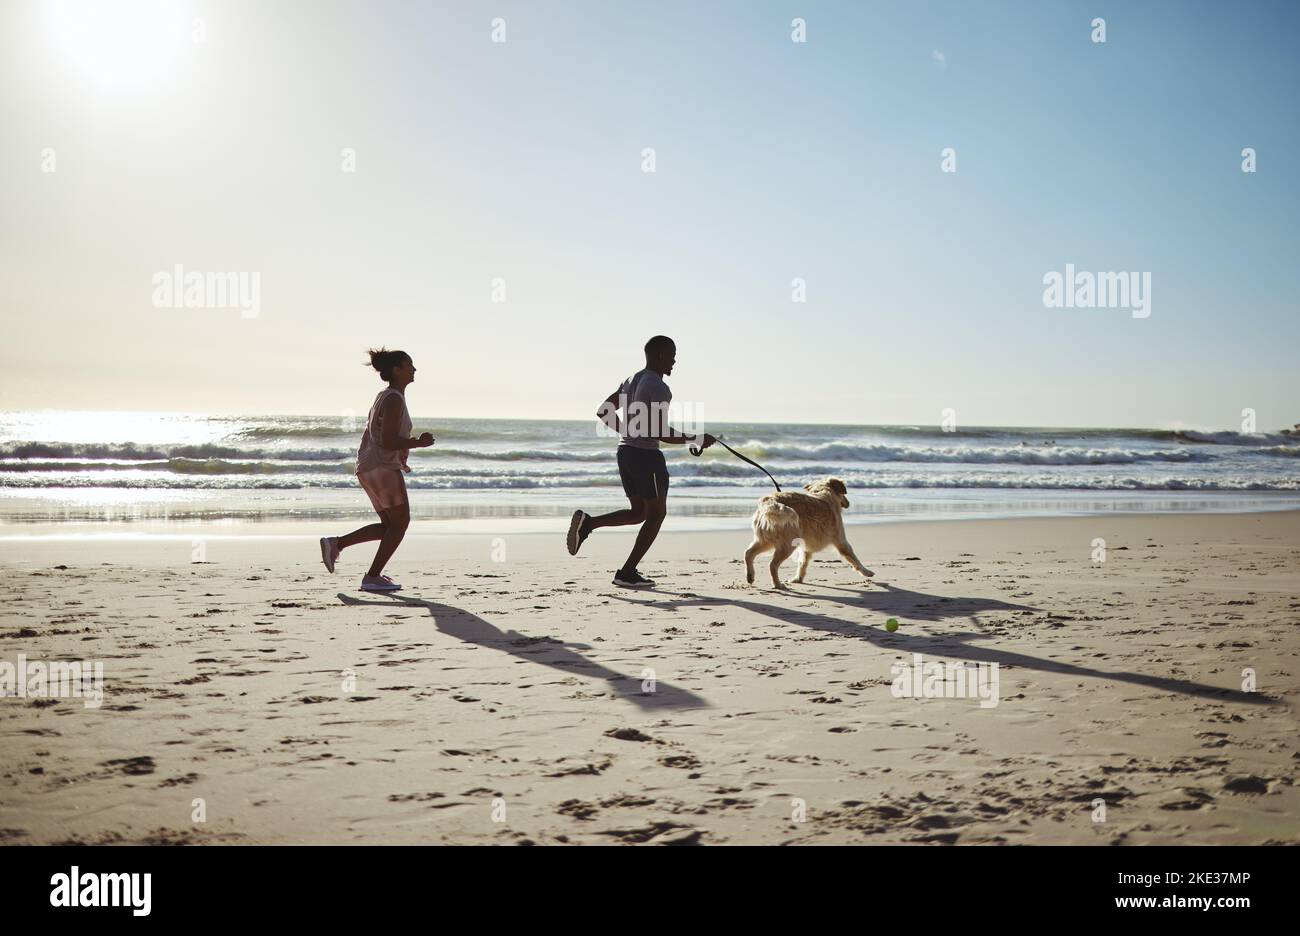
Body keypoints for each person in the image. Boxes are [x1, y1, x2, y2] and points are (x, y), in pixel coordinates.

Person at [566, 335, 715, 587]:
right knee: (656, 515)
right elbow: (660, 432)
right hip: (646, 457)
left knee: (639, 513)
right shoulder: (658, 387)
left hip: (625, 453)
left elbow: (604, 410)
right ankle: (627, 572)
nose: (674, 360)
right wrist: (695, 439)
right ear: (659, 355)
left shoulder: (631, 379)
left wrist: (628, 432)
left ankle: (588, 524)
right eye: (672, 354)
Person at [319, 348, 434, 592]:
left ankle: (336, 544)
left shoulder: (386, 396)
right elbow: (389, 441)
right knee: (401, 524)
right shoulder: (393, 399)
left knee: (390, 527)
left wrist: (411, 443)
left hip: (369, 466)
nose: (414, 369)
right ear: (396, 370)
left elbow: (383, 437)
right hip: (382, 467)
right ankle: (372, 577)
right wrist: (418, 442)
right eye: (409, 364)